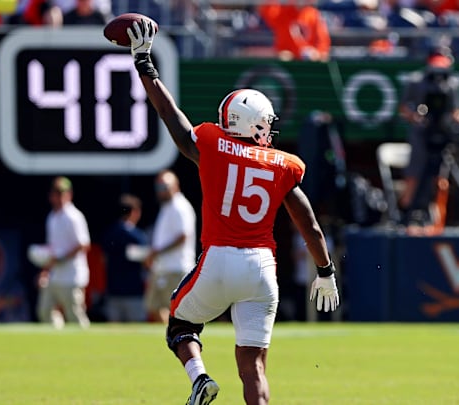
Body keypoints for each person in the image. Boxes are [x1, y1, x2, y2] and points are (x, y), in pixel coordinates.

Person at [126, 19, 340, 404]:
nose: (270, 130)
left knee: (180, 326)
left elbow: (171, 116)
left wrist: (146, 66)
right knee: (253, 367)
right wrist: (325, 271)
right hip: (262, 268)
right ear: (255, 123)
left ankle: (199, 379)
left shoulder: (211, 143)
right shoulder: (282, 164)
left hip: (219, 260)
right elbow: (308, 224)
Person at [397, 46, 459, 228]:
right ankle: (405, 215)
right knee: (414, 175)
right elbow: (404, 108)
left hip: (443, 134)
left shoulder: (452, 84)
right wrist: (416, 117)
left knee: (439, 179)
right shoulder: (416, 81)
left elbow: (456, 110)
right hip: (421, 135)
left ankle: (436, 218)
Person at [36, 176, 91, 329]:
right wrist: (45, 271)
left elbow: (83, 244)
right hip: (55, 277)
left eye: (63, 193)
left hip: (72, 277)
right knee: (45, 311)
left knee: (75, 316)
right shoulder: (52, 217)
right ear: (51, 196)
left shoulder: (74, 216)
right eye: (56, 193)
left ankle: (86, 347)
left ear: (69, 194)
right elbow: (52, 249)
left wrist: (61, 258)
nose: (60, 197)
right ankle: (58, 341)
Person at [143, 170, 197, 325]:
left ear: (176, 186)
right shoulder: (168, 206)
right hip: (162, 267)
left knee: (175, 310)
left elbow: (183, 236)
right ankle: (169, 336)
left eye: (165, 187)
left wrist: (156, 252)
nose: (161, 191)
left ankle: (177, 338)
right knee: (154, 306)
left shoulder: (180, 207)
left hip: (176, 268)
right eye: (159, 187)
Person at [100, 194, 149, 323]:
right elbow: (147, 262)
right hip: (133, 293)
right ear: (134, 212)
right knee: (137, 333)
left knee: (114, 335)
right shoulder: (138, 237)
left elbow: (103, 260)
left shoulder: (109, 234)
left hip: (113, 291)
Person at [258, 0, 331, 61]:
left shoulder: (313, 14)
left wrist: (318, 53)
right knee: (283, 58)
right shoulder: (282, 13)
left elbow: (323, 42)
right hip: (287, 57)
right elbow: (267, 10)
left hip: (309, 60)